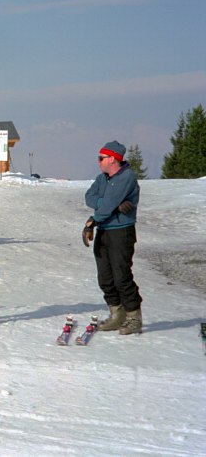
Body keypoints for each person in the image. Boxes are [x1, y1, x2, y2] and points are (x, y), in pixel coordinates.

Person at [83, 140, 143, 335]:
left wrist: (97, 216)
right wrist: (112, 204)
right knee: (105, 277)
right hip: (105, 231)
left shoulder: (127, 177)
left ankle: (133, 318)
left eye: (101, 158)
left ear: (113, 159)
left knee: (121, 276)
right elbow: (89, 197)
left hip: (121, 231)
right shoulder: (103, 178)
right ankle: (117, 315)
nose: (98, 161)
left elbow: (105, 205)